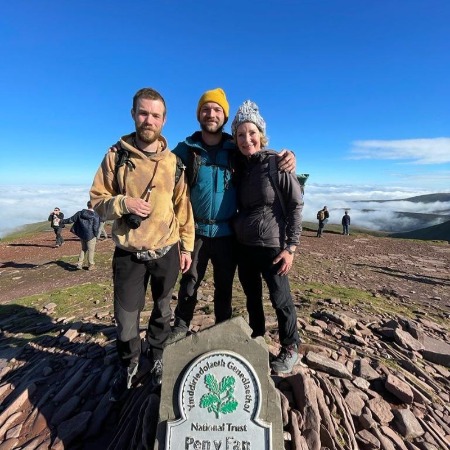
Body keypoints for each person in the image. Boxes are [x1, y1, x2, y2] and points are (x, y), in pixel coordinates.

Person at [89, 87, 195, 402]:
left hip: (167, 251)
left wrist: (186, 248)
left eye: (156, 115)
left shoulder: (174, 162)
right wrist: (124, 204)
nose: (149, 120)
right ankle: (130, 363)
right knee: (125, 320)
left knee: (163, 311)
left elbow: (183, 208)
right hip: (129, 254)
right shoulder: (115, 156)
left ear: (164, 120)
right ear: (134, 114)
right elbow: (95, 202)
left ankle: (159, 355)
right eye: (144, 113)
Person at [168, 88, 296, 341]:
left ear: (224, 117)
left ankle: (222, 328)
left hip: (228, 233)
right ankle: (181, 326)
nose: (211, 114)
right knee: (190, 282)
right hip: (196, 231)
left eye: (217, 110)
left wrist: (290, 156)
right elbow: (162, 166)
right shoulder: (186, 149)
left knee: (224, 286)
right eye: (206, 109)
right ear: (198, 115)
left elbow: (258, 154)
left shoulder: (234, 147)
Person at [231, 100, 303, 374]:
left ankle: (290, 347)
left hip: (273, 246)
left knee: (280, 299)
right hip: (245, 246)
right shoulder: (240, 165)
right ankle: (258, 339)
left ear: (261, 135)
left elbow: (296, 205)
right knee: (252, 297)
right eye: (240, 134)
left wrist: (292, 247)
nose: (246, 139)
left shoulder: (277, 163)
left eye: (251, 133)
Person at [62, 201, 100, 270]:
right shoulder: (95, 215)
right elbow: (95, 227)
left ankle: (79, 264)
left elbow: (70, 220)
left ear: (87, 205)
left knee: (83, 249)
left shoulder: (79, 213)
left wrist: (60, 221)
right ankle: (91, 265)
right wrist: (96, 235)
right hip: (91, 235)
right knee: (91, 250)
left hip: (82, 234)